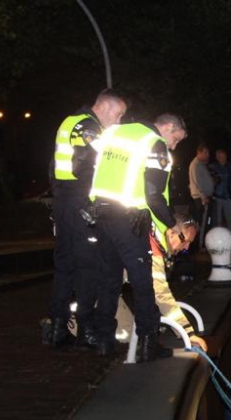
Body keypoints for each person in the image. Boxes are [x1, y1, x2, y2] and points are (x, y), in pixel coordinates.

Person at [88, 113, 188, 362]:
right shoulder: (154, 144)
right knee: (142, 282)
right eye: (175, 138)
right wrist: (172, 223)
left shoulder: (113, 133)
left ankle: (104, 341)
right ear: (167, 126)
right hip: (129, 220)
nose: (174, 146)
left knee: (108, 280)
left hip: (101, 216)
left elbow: (92, 165)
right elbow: (153, 194)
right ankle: (147, 343)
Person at [46, 89, 128, 349]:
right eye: (118, 114)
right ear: (104, 106)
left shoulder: (69, 122)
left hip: (63, 201)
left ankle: (58, 327)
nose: (119, 121)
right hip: (81, 203)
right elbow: (94, 165)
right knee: (87, 268)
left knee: (64, 266)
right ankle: (85, 330)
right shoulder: (87, 126)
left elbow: (55, 166)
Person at [149, 220, 207, 351]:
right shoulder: (151, 251)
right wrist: (188, 333)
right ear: (171, 233)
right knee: (129, 338)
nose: (186, 248)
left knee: (129, 336)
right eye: (185, 241)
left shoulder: (151, 239)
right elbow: (161, 294)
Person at [187, 142, 213, 229]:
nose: (208, 155)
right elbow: (196, 181)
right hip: (200, 198)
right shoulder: (196, 164)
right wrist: (203, 197)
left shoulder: (201, 164)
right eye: (205, 152)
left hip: (202, 197)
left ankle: (202, 240)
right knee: (202, 223)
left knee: (204, 222)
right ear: (199, 152)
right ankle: (200, 242)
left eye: (208, 153)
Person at [209, 148, 231, 231]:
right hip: (217, 198)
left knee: (230, 220)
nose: (222, 158)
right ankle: (217, 241)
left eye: (223, 156)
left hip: (229, 198)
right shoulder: (212, 167)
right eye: (219, 157)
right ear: (216, 157)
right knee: (217, 221)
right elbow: (208, 181)